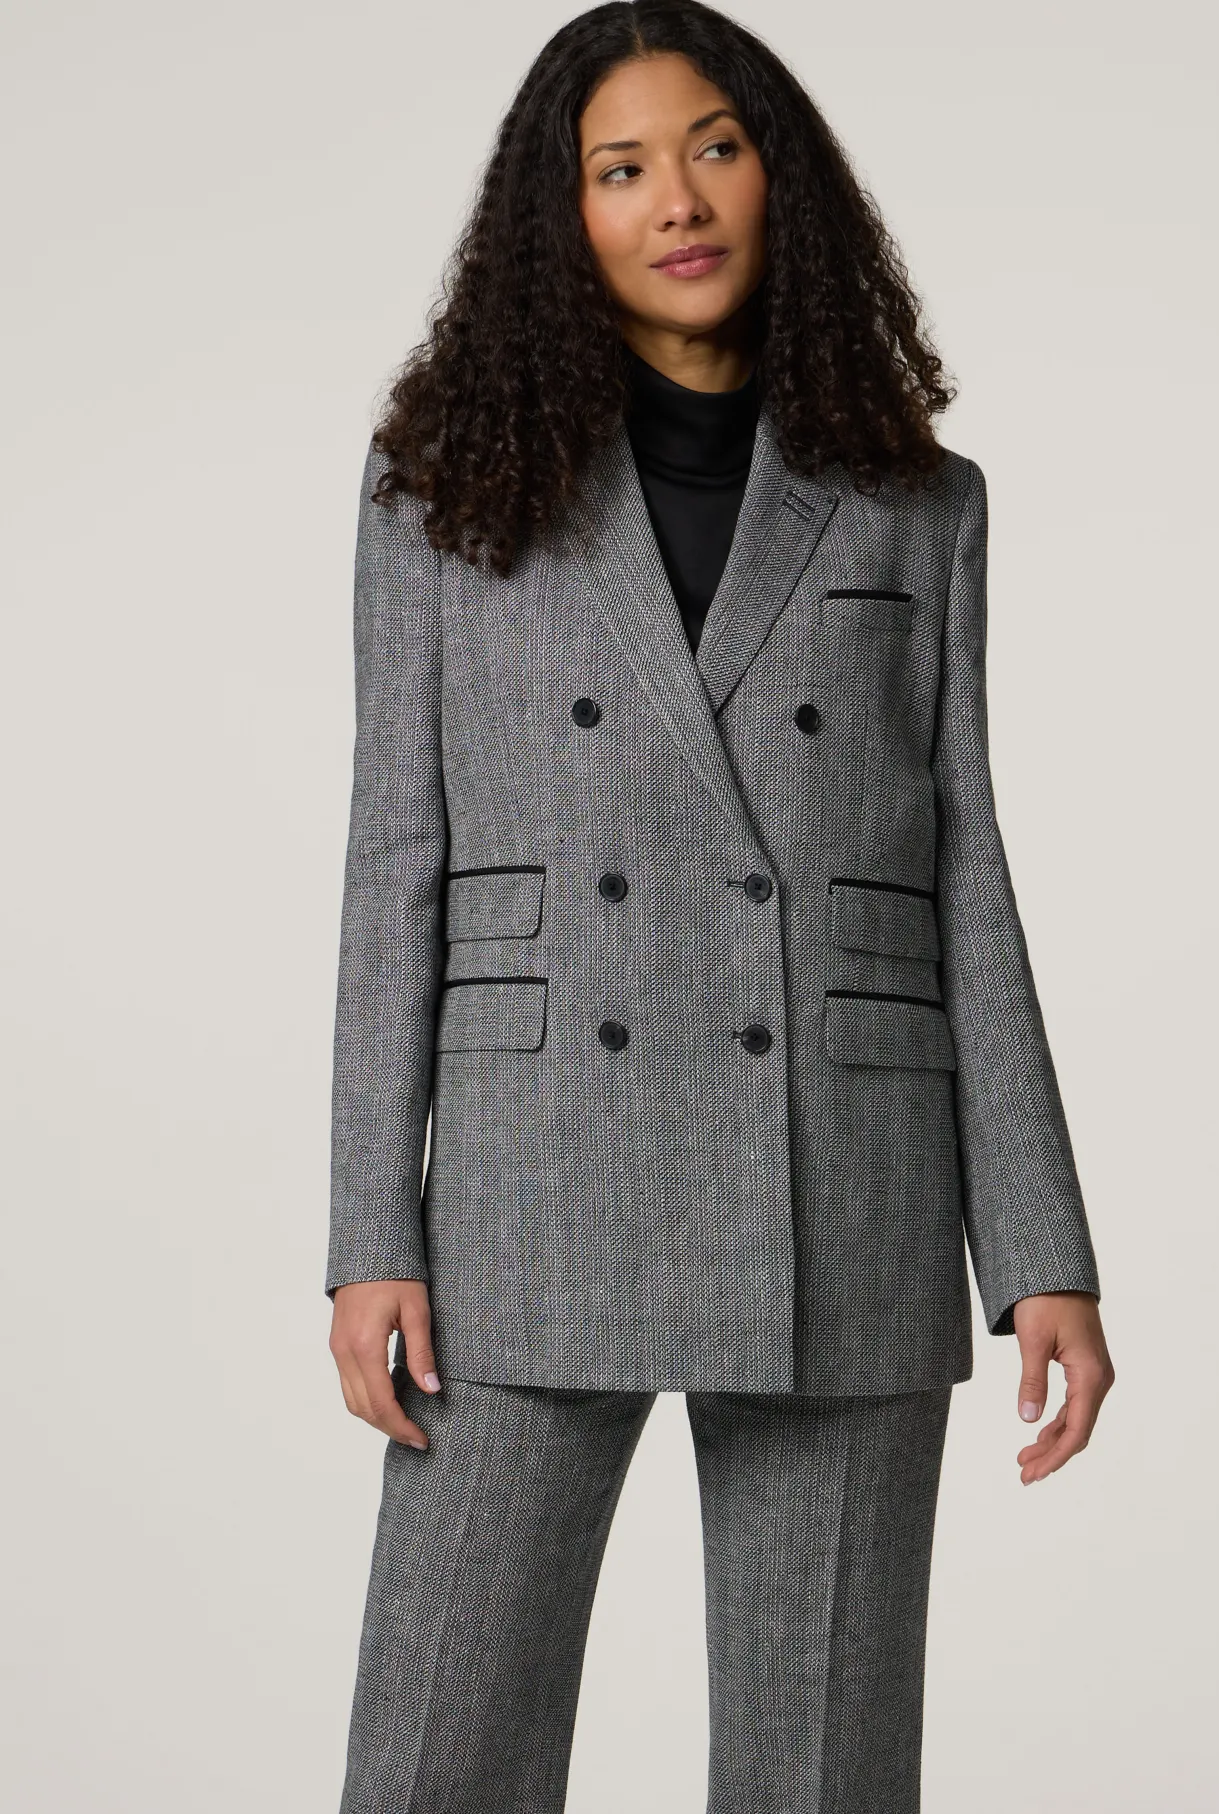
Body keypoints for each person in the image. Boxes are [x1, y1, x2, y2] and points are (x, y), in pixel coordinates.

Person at [325, 3, 1115, 1808]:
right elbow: (393, 858)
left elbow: (964, 863)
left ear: (779, 176)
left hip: (844, 1168)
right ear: (562, 217)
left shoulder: (919, 502)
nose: (675, 199)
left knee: (822, 1770)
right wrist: (372, 1224)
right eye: (620, 168)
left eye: (714, 148)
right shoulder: (440, 489)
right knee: (438, 1752)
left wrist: (1042, 1250)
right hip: (529, 1183)